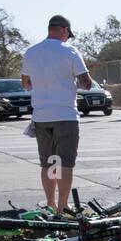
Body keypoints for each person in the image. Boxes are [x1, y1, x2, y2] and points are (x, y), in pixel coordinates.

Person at [21, 14, 93, 212]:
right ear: (64, 30)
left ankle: (50, 204)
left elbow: (25, 83)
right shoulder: (70, 51)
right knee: (65, 164)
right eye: (68, 34)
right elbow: (86, 83)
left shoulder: (31, 52)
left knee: (50, 163)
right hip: (65, 116)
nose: (68, 38)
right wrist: (72, 81)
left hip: (41, 117)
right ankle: (62, 208)